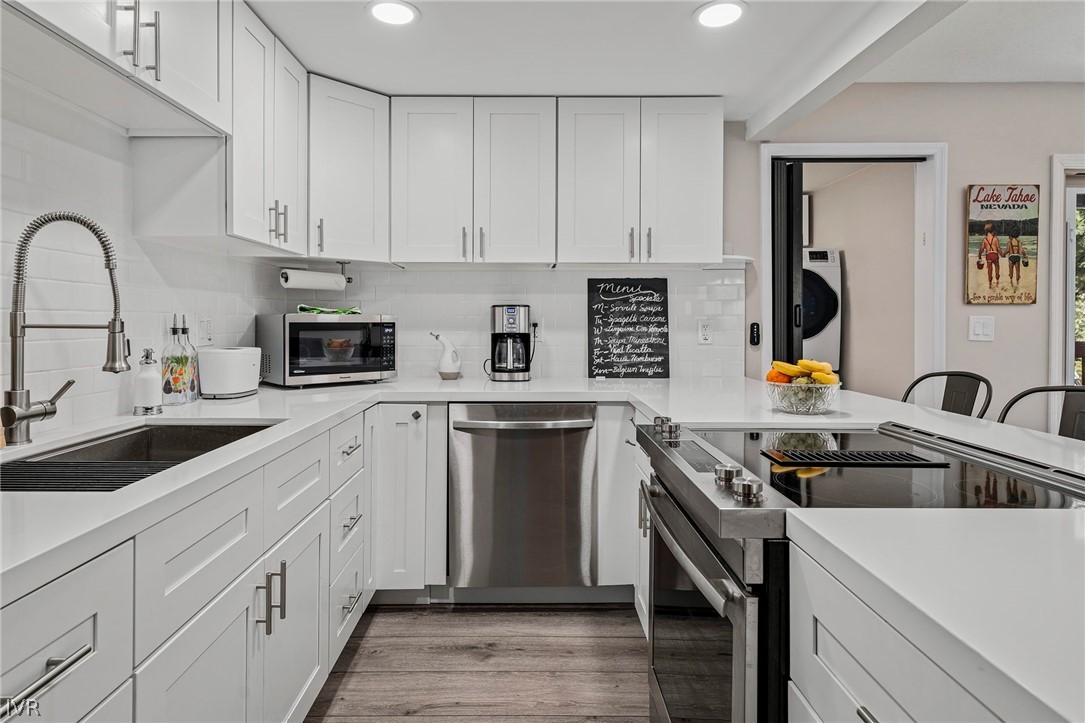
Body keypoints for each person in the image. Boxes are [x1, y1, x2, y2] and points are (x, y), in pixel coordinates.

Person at [978, 223, 1003, 289]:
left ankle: (990, 284)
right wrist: (1001, 254)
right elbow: (998, 248)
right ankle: (997, 281)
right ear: (993, 230)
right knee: (997, 268)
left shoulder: (984, 240)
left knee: (989, 270)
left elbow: (982, 249)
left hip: (988, 255)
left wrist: (979, 255)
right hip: (995, 254)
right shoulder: (995, 239)